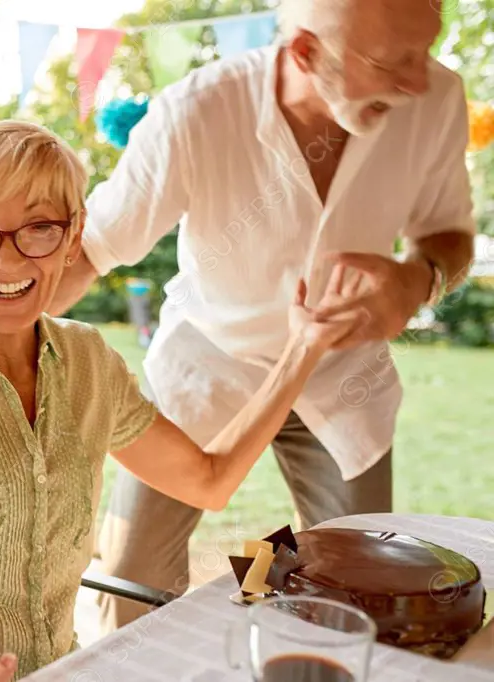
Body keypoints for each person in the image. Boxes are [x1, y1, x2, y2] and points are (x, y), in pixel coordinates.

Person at [0, 120, 364, 681]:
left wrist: (303, 347)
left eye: (38, 228)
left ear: (73, 234)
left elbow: (209, 480)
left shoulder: (88, 362)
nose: (7, 260)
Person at [50, 0, 476, 632]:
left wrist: (417, 278)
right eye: (395, 61)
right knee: (132, 588)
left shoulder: (437, 97)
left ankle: (248, 585)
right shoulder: (196, 110)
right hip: (209, 368)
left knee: (362, 587)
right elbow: (90, 250)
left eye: (427, 48)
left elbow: (449, 238)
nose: (419, 80)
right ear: (304, 52)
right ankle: (234, 598)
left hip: (344, 380)